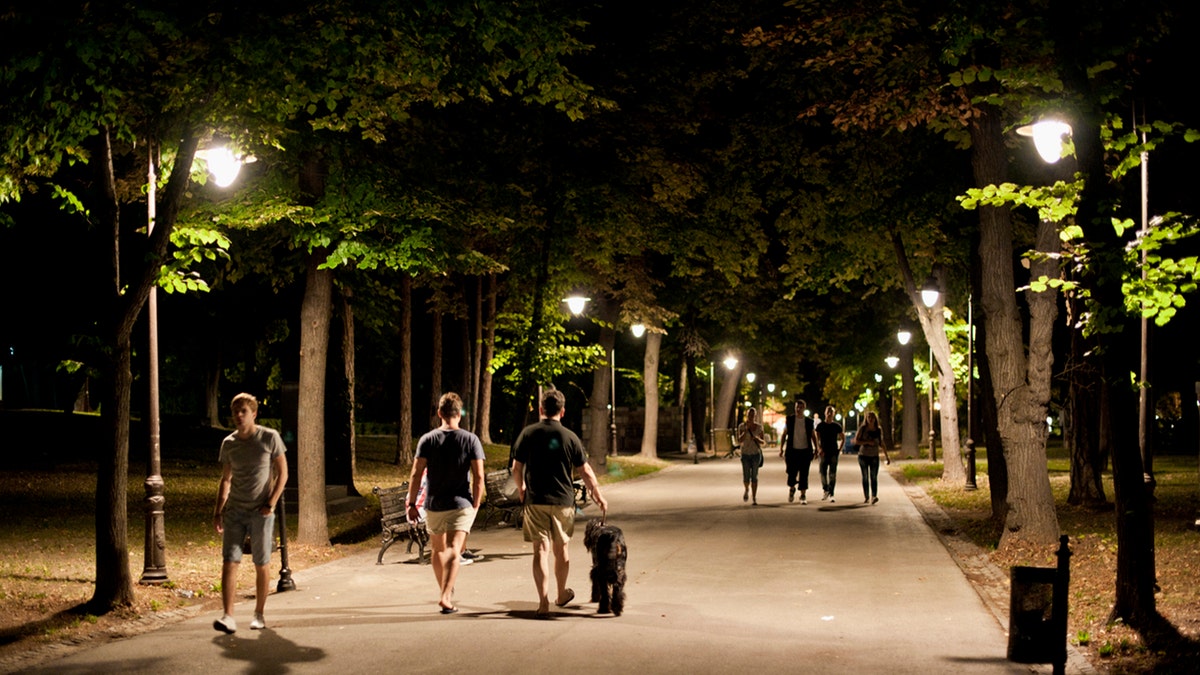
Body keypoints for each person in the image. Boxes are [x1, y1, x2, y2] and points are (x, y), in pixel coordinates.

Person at [511, 388, 608, 618]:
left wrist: (521, 488)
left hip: (536, 501)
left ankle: (543, 602)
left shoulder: (528, 433)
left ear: (542, 410)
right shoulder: (570, 437)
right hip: (563, 502)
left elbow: (516, 467)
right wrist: (598, 495)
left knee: (540, 551)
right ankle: (561, 593)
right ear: (562, 412)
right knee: (561, 549)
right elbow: (585, 470)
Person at [212, 393, 288, 634]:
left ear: (254, 413)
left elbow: (283, 474)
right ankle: (228, 616)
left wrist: (271, 503)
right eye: (235, 411)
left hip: (260, 513)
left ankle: (259, 614)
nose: (238, 415)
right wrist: (218, 511)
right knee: (229, 562)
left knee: (261, 563)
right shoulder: (229, 443)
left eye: (243, 411)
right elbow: (226, 479)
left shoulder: (269, 438)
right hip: (235, 511)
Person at [405, 392, 486, 614]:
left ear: (440, 413)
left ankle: (444, 589)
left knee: (438, 549)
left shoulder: (427, 440)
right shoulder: (471, 440)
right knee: (454, 549)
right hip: (460, 503)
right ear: (459, 414)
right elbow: (479, 476)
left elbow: (415, 473)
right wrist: (476, 503)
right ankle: (446, 595)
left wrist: (412, 504)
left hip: (434, 504)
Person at [778, 399, 818, 504]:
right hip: (792, 451)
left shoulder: (809, 422)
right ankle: (792, 488)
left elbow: (813, 436)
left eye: (801, 407)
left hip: (805, 451)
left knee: (804, 474)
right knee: (791, 473)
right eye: (797, 407)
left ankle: (803, 495)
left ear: (804, 408)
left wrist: (817, 449)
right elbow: (784, 434)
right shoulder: (790, 420)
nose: (798, 409)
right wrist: (781, 448)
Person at [855, 410, 891, 504]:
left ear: (875, 419)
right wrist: (867, 442)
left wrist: (887, 456)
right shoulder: (862, 429)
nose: (870, 419)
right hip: (863, 455)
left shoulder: (878, 430)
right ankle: (866, 496)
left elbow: (881, 443)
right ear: (866, 419)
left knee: (874, 476)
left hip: (874, 456)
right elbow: (856, 441)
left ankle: (874, 496)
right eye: (869, 417)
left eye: (872, 417)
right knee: (865, 476)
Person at [736, 407, 767, 505]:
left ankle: (754, 497)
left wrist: (757, 438)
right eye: (749, 414)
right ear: (747, 415)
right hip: (745, 454)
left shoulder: (759, 427)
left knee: (754, 476)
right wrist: (746, 430)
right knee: (746, 476)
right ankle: (746, 489)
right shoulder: (742, 426)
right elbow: (739, 440)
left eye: (753, 415)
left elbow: (763, 442)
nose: (751, 417)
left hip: (755, 454)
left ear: (755, 416)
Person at [816, 405, 845, 502]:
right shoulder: (820, 426)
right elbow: (817, 438)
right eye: (827, 411)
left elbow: (843, 438)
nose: (829, 414)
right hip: (823, 452)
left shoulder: (836, 426)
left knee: (832, 474)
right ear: (825, 413)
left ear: (833, 414)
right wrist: (818, 449)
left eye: (831, 412)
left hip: (833, 452)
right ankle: (826, 490)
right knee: (822, 473)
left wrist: (839, 449)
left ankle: (831, 493)